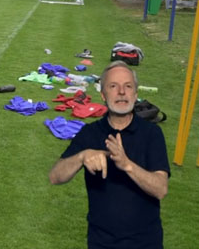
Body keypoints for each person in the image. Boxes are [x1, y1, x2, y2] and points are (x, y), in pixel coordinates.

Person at [48, 61, 169, 249]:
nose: (121, 92)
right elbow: (55, 177)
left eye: (128, 86)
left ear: (135, 94)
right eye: (113, 86)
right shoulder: (90, 133)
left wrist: (126, 164)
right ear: (103, 95)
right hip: (101, 243)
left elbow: (161, 189)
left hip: (146, 243)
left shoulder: (151, 134)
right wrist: (82, 156)